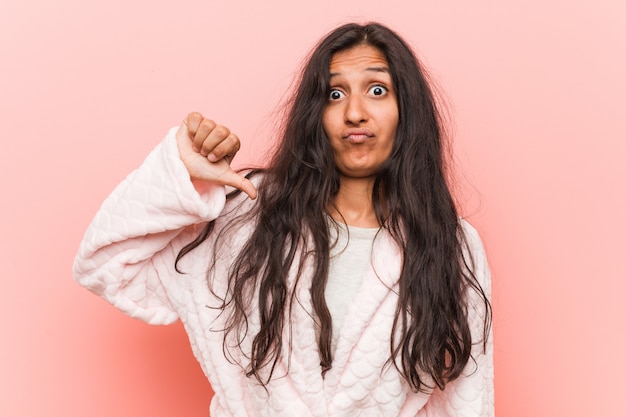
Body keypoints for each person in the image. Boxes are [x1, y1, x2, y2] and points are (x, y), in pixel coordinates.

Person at [73, 22, 493, 417]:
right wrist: (181, 177)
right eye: (334, 94)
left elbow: (464, 400)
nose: (355, 113)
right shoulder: (247, 215)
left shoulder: (449, 245)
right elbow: (103, 265)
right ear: (314, 114)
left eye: (378, 89)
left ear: (408, 111)